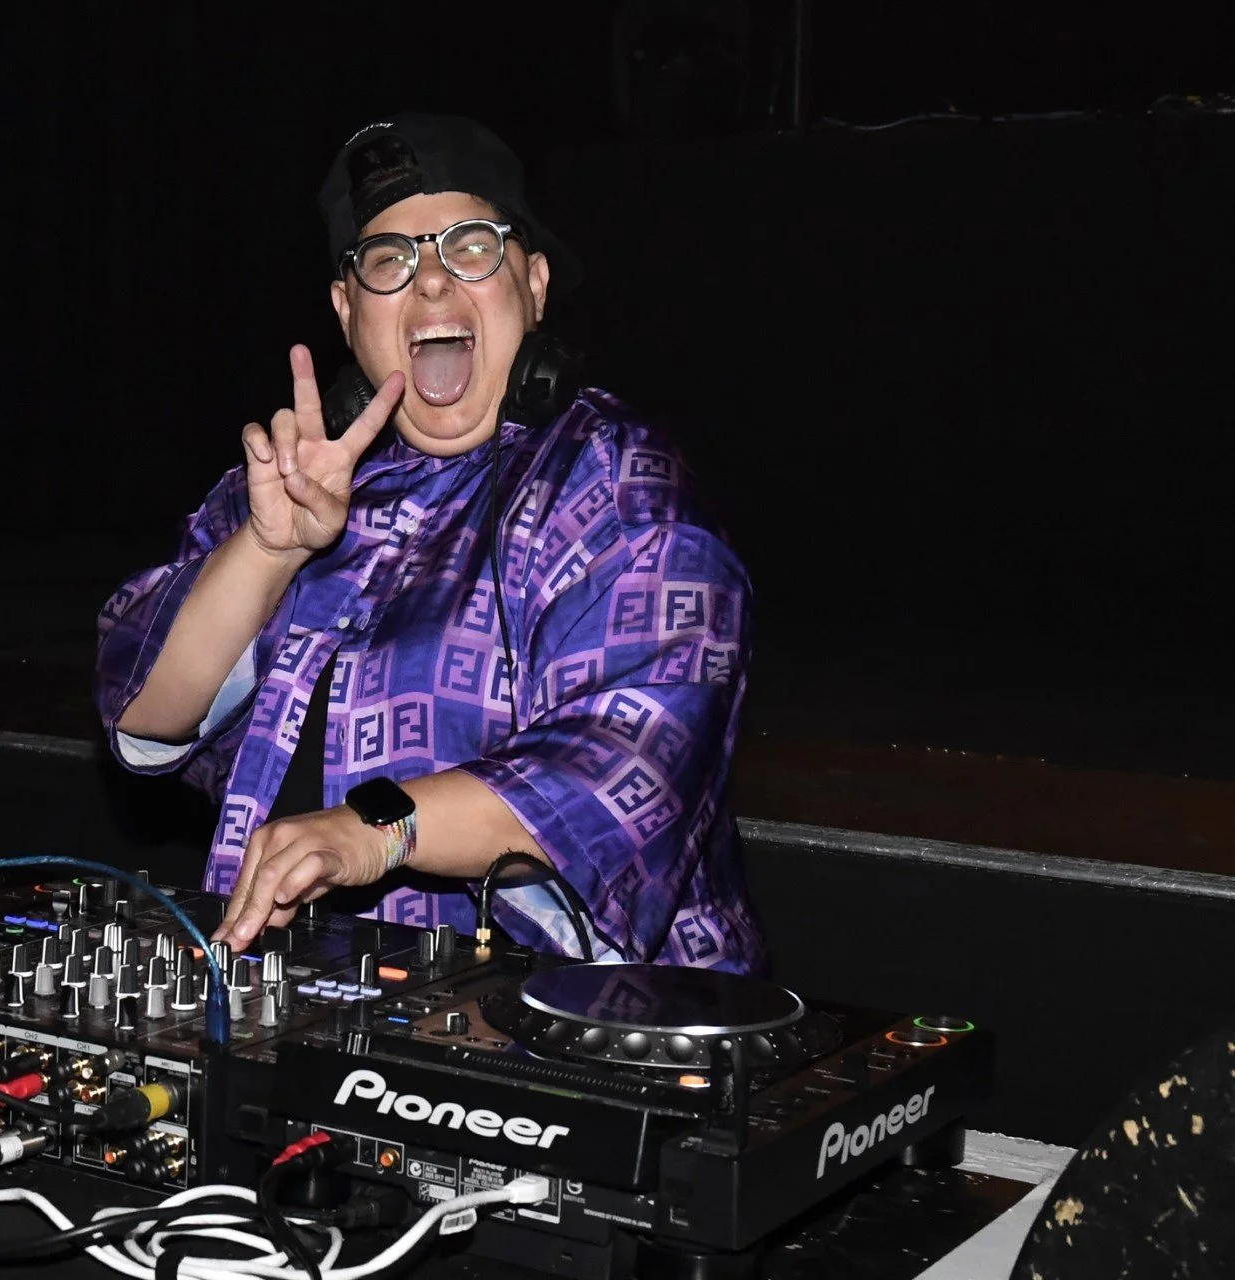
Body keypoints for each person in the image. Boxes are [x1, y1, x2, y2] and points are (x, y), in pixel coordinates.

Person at [95, 113, 762, 970]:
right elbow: (143, 712)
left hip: (609, 1036)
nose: (434, 285)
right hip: (330, 1001)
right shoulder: (299, 479)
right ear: (347, 311)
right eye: (389, 261)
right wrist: (270, 549)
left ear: (536, 283)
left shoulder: (619, 482)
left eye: (472, 247)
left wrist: (377, 828)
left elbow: (625, 765)